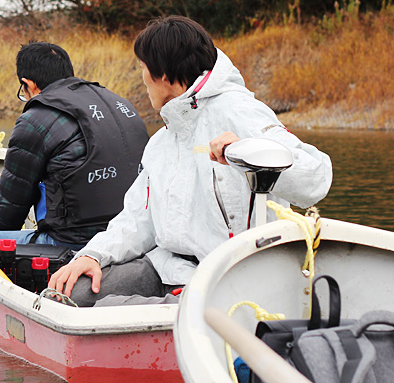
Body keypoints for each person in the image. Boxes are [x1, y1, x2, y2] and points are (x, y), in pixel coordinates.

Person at [49, 16, 332, 306]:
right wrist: (91, 255)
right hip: (168, 269)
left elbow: (316, 179)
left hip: (230, 275)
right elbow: (137, 220)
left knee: (108, 309)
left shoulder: (238, 110)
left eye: (144, 68)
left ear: (163, 72)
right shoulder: (162, 142)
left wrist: (249, 151)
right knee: (68, 295)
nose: (142, 77)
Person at [0, 41, 150, 253]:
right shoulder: (119, 103)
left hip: (70, 243)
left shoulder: (35, 119)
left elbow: (13, 205)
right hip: (130, 235)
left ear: (28, 84)